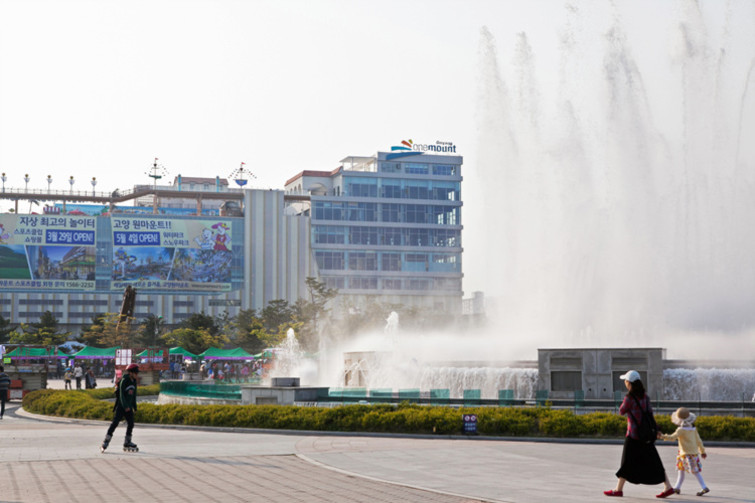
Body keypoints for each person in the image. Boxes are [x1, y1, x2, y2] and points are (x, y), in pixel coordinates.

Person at [604, 370, 675, 498]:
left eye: (625, 381)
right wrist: (656, 429)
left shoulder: (629, 398)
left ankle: (618, 490)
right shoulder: (645, 397)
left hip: (633, 436)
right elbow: (650, 414)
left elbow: (621, 411)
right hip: (646, 435)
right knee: (655, 461)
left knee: (626, 462)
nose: (625, 383)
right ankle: (668, 486)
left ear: (629, 383)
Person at [659, 407, 710, 496]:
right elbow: (699, 441)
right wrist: (702, 451)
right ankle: (677, 487)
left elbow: (672, 437)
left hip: (685, 454)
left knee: (693, 471)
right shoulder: (693, 429)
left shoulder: (681, 430)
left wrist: (662, 436)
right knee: (682, 470)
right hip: (692, 453)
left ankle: (704, 486)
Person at [101, 363, 139, 452]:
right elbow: (121, 395)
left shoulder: (134, 382)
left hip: (129, 407)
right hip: (121, 406)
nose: (137, 375)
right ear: (130, 373)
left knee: (131, 423)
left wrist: (134, 406)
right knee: (115, 423)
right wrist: (125, 406)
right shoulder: (124, 381)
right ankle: (106, 441)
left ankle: (127, 442)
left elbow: (134, 395)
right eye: (136, 373)